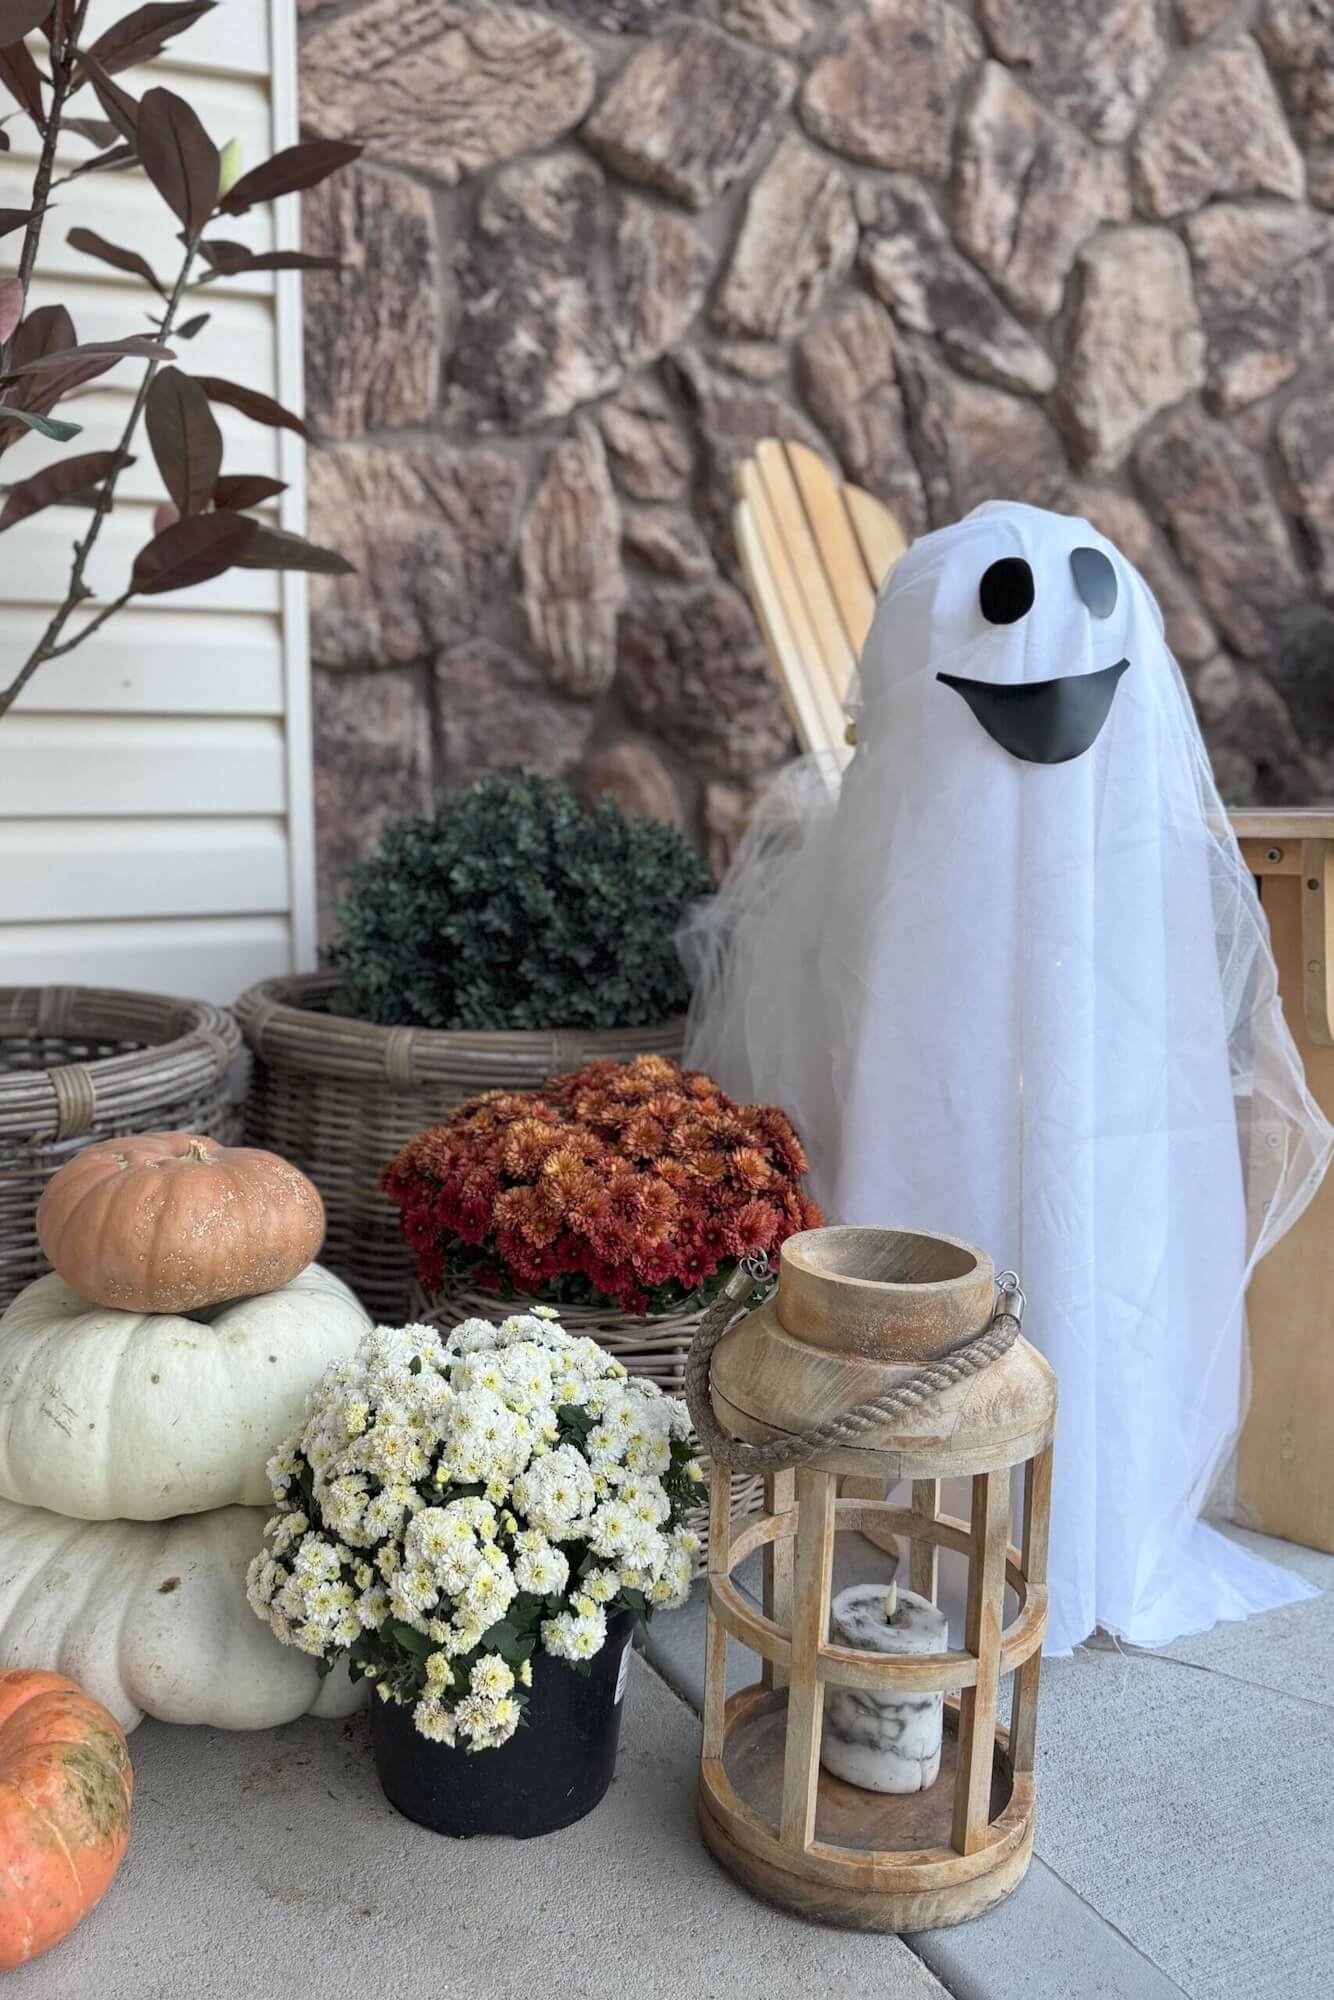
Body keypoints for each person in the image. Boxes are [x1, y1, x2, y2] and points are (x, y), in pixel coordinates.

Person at [684, 500, 1332, 1655]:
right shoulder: (911, 844)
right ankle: (959, 1457)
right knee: (943, 1120)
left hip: (1068, 1022)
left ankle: (1068, 1483)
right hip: (939, 1015)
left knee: (1073, 1158)